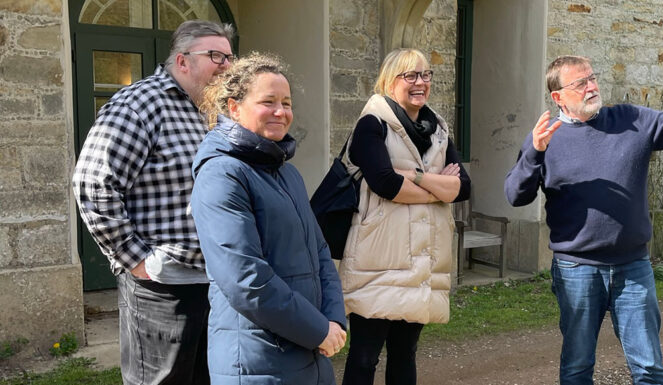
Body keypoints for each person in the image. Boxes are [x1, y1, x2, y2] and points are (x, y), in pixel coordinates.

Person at [504, 42, 663, 385]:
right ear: (558, 97)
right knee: (577, 367)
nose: (591, 86)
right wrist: (534, 153)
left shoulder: (631, 120)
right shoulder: (547, 139)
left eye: (592, 78)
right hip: (577, 269)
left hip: (632, 266)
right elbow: (515, 196)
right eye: (580, 83)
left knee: (650, 368)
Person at [72, 20, 235, 384]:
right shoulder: (139, 103)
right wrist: (136, 259)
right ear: (182, 61)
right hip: (162, 287)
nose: (227, 64)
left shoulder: (215, 112)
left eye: (229, 56)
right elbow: (93, 183)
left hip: (217, 282)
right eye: (215, 56)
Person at [190, 52, 347, 385]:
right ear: (233, 108)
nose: (281, 112)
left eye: (287, 103)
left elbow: (319, 252)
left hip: (306, 351)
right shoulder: (222, 174)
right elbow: (245, 280)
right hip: (257, 360)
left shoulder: (287, 174)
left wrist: (333, 320)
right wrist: (318, 329)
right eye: (268, 101)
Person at [337, 48, 471, 385]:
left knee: (404, 354)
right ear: (389, 80)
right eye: (410, 75)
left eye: (425, 75)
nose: (420, 82)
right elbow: (384, 184)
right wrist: (439, 189)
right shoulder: (372, 124)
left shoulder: (437, 128)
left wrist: (417, 177)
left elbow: (464, 188)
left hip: (422, 260)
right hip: (378, 260)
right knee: (365, 356)